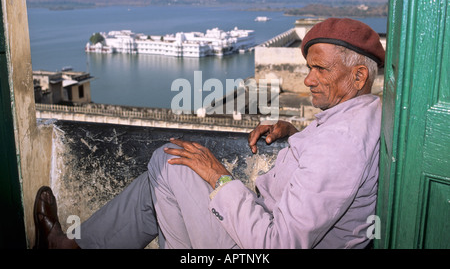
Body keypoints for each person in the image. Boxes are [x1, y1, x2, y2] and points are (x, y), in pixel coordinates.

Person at [33, 18, 385, 249]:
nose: (308, 80)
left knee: (170, 162)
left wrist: (220, 178)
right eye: (309, 68)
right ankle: (76, 246)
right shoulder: (363, 113)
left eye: (320, 69)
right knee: (164, 181)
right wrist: (296, 135)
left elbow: (281, 243)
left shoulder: (341, 143)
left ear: (357, 77)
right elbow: (328, 154)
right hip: (264, 221)